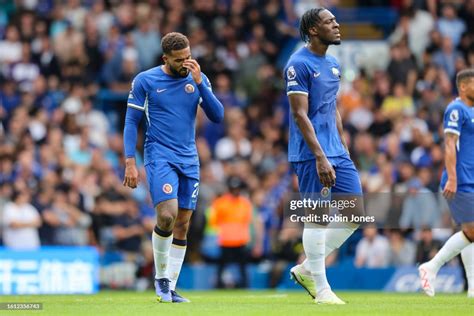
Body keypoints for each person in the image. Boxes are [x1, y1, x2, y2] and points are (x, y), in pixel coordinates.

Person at [122, 32, 224, 303]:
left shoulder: (197, 77)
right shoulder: (146, 80)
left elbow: (217, 116)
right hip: (159, 155)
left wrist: (201, 83)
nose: (186, 63)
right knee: (167, 215)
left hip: (189, 158)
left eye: (188, 57)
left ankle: (170, 288)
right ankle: (161, 280)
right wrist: (130, 161)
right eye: (180, 60)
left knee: (183, 223)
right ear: (165, 58)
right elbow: (131, 121)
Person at [284, 8, 365, 304]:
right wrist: (319, 155)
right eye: (330, 21)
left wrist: (341, 149)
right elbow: (299, 114)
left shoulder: (332, 63)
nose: (337, 24)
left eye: (335, 20)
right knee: (316, 218)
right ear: (314, 30)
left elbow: (332, 108)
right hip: (310, 153)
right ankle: (321, 289)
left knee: (354, 213)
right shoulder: (298, 64)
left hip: (336, 151)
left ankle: (307, 268)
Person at [419, 68, 474, 298]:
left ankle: (472, 288)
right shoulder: (456, 109)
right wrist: (452, 177)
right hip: (459, 181)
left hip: (472, 179)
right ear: (463, 86)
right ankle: (431, 267)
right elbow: (450, 144)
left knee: (469, 232)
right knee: (472, 231)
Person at [210, 176, 253, 289]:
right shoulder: (220, 202)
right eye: (233, 188)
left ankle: (245, 285)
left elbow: (247, 221)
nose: (235, 191)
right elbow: (214, 221)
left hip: (240, 239)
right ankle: (219, 285)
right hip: (226, 239)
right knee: (222, 265)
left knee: (242, 266)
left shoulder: (245, 203)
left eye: (237, 188)